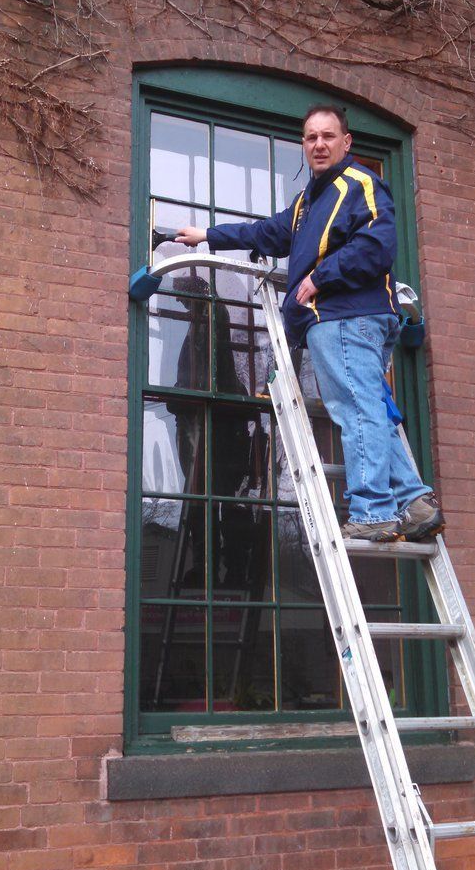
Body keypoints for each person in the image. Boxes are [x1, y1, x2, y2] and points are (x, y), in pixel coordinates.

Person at [175, 105, 445, 543]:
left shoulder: (359, 184)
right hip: (340, 320)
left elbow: (378, 246)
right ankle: (414, 501)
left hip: (346, 316)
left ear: (346, 142)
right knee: (370, 408)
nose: (319, 144)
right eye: (311, 138)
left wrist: (320, 277)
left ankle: (374, 511)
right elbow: (265, 233)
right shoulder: (308, 204)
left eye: (328, 136)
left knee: (356, 410)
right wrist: (207, 234)